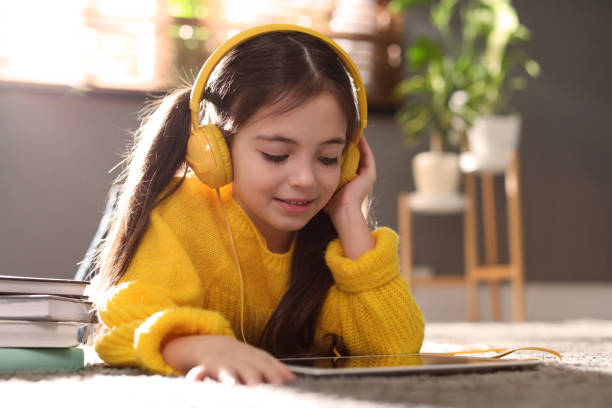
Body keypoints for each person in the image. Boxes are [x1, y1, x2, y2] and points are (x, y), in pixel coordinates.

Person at [91, 24, 424, 386]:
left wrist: (348, 212)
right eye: (277, 155)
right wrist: (202, 347)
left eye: (328, 158)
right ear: (216, 150)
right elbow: (125, 325)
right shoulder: (180, 213)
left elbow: (395, 349)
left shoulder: (328, 235)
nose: (306, 179)